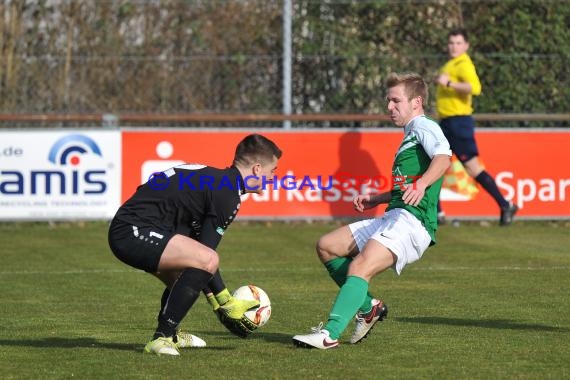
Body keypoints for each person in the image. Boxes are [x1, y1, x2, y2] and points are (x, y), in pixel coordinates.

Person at [292, 72, 451, 349]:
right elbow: (407, 186)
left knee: (360, 266)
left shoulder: (425, 127)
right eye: (388, 101)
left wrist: (424, 184)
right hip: (395, 214)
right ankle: (369, 308)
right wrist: (376, 199)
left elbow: (444, 157)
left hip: (414, 222)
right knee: (328, 246)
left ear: (416, 102)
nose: (389, 107)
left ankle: (329, 335)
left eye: (395, 101)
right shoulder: (410, 134)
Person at [108, 134, 282, 356]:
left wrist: (220, 303)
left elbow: (197, 256)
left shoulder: (217, 181)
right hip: (131, 231)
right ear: (257, 169)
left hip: (134, 226)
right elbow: (205, 257)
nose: (273, 177)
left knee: (184, 275)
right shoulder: (226, 194)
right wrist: (225, 303)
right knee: (207, 259)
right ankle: (162, 338)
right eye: (273, 170)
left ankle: (169, 335)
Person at [435, 28, 518, 226]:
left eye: (457, 43)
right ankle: (437, 213)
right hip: (446, 122)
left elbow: (475, 87)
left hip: (458, 123)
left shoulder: (464, 64)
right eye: (451, 43)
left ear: (466, 45)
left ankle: (505, 204)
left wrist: (449, 84)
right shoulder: (450, 64)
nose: (453, 46)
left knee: (472, 169)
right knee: (435, 165)